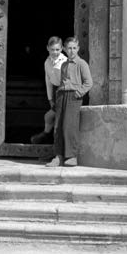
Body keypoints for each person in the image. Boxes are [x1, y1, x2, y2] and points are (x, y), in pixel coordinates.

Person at [46, 36, 92, 167]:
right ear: (64, 50)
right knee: (58, 126)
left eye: (74, 48)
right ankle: (58, 156)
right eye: (69, 48)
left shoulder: (82, 64)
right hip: (61, 95)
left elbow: (89, 82)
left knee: (69, 126)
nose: (72, 51)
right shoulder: (64, 64)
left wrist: (79, 92)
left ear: (78, 49)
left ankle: (71, 156)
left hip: (73, 96)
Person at [30, 36, 66, 145]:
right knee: (49, 117)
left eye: (57, 50)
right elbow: (48, 81)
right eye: (52, 49)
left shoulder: (65, 61)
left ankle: (56, 150)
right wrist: (50, 98)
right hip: (56, 93)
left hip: (65, 93)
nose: (55, 52)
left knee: (58, 122)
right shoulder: (47, 62)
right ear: (47, 48)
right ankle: (46, 136)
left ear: (62, 49)